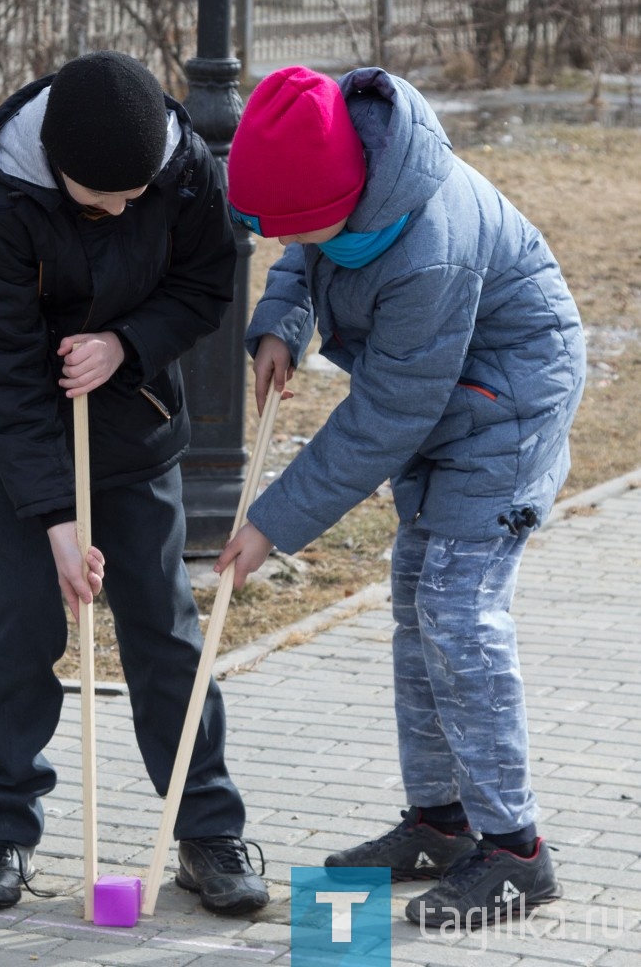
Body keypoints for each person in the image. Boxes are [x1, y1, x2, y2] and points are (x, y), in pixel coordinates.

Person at [219, 64, 586, 927]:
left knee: (459, 614)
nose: (304, 238)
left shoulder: (432, 246)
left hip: (505, 410)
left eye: (314, 223)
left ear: (357, 190)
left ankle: (514, 852)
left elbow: (386, 416)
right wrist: (283, 321)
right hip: (452, 398)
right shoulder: (343, 167)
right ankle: (441, 824)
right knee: (414, 603)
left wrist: (272, 523)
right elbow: (303, 246)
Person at [0, 50, 269, 917]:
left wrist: (125, 343)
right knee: (20, 629)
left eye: (138, 195)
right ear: (59, 173)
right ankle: (6, 827)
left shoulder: (182, 168)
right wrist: (53, 519)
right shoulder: (5, 199)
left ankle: (204, 828)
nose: (128, 209)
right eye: (105, 200)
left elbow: (208, 281)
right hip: (18, 435)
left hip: (132, 425)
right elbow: (0, 365)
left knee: (163, 629)